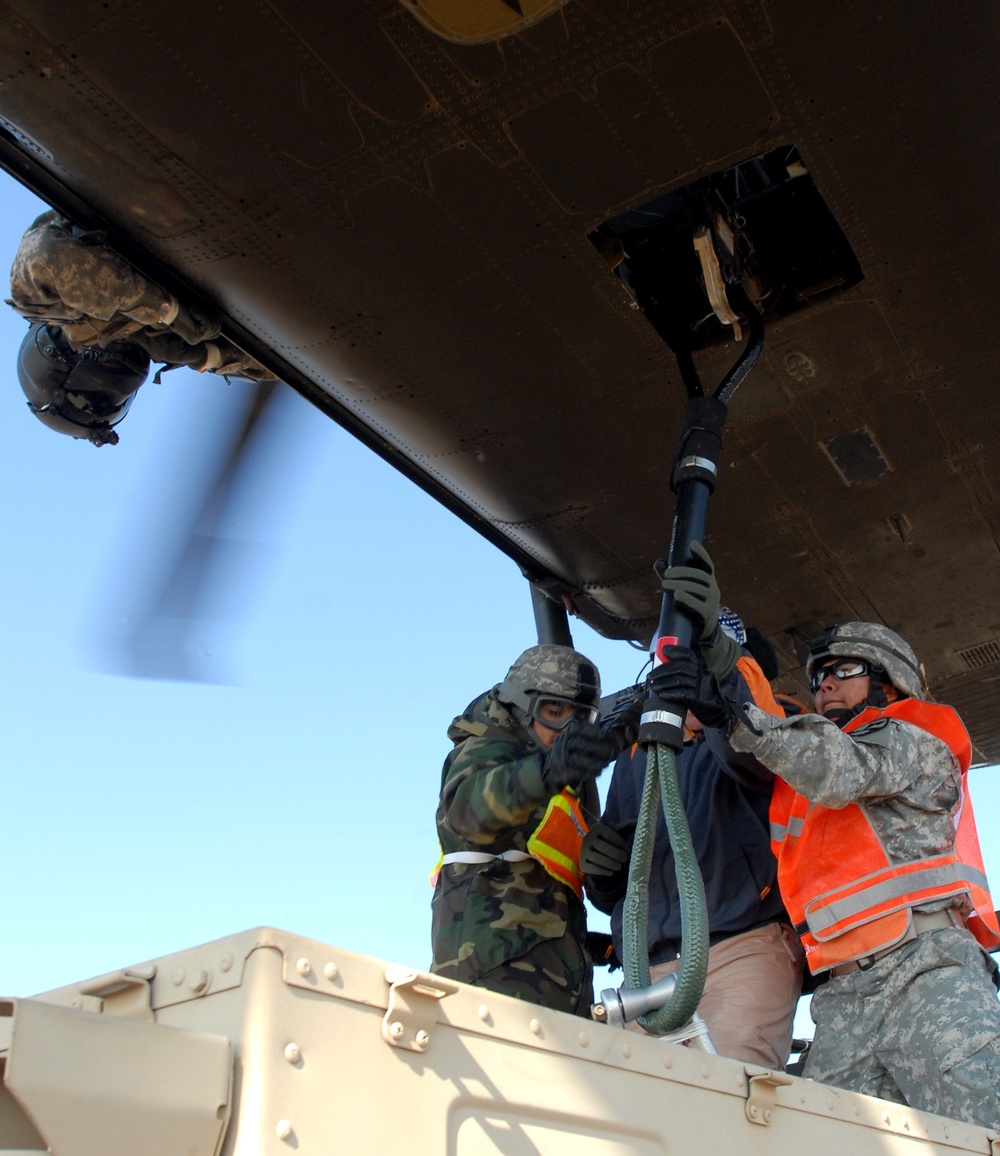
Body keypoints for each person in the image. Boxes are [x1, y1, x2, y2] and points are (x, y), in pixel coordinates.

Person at [693, 620, 1000, 1128]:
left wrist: (730, 671)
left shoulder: (910, 738)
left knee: (983, 1128)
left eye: (844, 670)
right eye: (817, 679)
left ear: (892, 682)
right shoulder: (811, 774)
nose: (824, 685)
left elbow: (832, 765)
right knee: (825, 1137)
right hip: (843, 997)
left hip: (924, 971)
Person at [582, 543, 804, 1067]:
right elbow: (622, 880)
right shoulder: (641, 753)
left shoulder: (781, 731)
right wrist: (604, 878)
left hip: (739, 952)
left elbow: (760, 759)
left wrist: (722, 705)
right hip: (647, 969)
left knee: (724, 1107)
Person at [430, 644, 630, 1016]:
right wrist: (547, 771)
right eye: (553, 713)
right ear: (521, 708)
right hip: (490, 991)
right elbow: (468, 809)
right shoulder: (486, 749)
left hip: (559, 992)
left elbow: (539, 891)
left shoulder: (566, 785)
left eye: (580, 718)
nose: (564, 731)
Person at [9, 211, 274, 444]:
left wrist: (166, 311)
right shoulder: (166, 341)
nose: (115, 389)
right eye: (115, 401)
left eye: (102, 393)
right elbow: (275, 362)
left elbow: (48, 256)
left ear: (60, 361)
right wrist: (207, 357)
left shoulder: (38, 297)